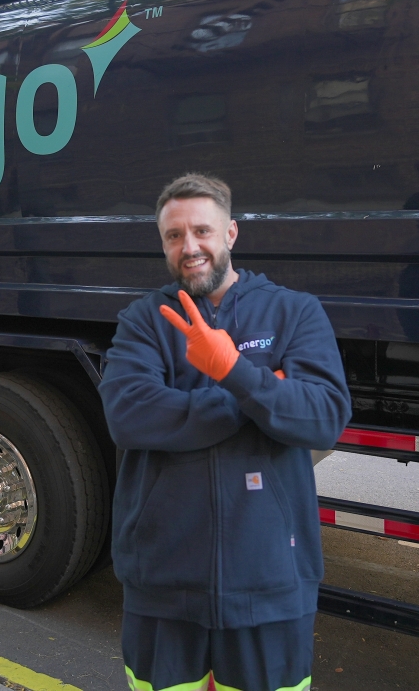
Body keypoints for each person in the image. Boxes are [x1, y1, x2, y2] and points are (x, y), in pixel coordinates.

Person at [98, 173, 351, 691]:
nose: (189, 247)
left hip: (272, 581)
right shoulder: (145, 321)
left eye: (202, 231)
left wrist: (232, 370)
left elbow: (323, 416)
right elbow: (129, 415)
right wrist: (255, 397)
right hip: (162, 583)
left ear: (231, 233)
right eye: (174, 236)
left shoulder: (294, 312)